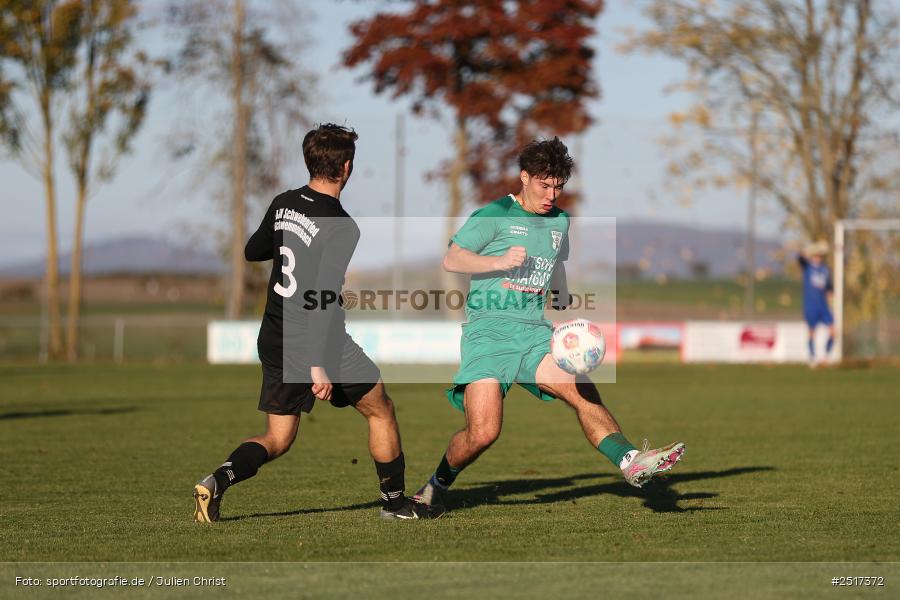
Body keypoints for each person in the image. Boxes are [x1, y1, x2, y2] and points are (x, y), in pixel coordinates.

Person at [412, 138, 686, 516]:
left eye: (558, 186)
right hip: (488, 334)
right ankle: (436, 485)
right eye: (544, 185)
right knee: (484, 432)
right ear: (524, 177)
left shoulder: (559, 221)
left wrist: (561, 295)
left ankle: (630, 461)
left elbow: (556, 265)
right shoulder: (494, 215)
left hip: (534, 334)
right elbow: (452, 259)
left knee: (582, 392)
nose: (552, 194)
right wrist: (499, 263)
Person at [193, 124, 425, 522]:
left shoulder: (284, 203)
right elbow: (322, 299)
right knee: (380, 409)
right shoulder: (341, 225)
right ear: (347, 167)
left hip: (276, 336)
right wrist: (318, 365)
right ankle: (395, 505)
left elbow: (253, 250)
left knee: (278, 438)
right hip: (321, 341)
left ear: (310, 161)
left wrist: (287, 234)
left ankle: (218, 479)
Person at [798, 241, 835, 366]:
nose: (818, 258)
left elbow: (829, 286)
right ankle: (812, 358)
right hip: (810, 305)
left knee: (833, 331)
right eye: (816, 255)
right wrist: (810, 248)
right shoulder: (807, 267)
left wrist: (830, 293)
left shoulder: (825, 269)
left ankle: (826, 356)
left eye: (820, 256)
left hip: (823, 306)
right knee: (811, 332)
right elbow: (800, 257)